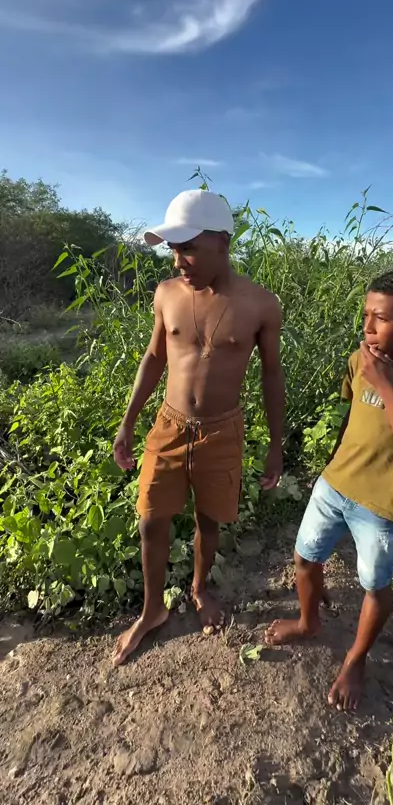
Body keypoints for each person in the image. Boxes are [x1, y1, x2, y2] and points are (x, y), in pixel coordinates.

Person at [266, 266, 393, 711]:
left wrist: (386, 386)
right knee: (305, 558)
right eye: (366, 315)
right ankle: (308, 622)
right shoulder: (360, 360)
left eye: (381, 317)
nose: (368, 326)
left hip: (382, 505)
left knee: (375, 586)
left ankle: (355, 660)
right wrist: (331, 465)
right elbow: (352, 419)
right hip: (334, 484)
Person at [112, 189, 284, 666]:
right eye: (173, 248)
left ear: (222, 242)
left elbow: (272, 375)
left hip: (221, 431)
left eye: (188, 247)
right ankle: (152, 610)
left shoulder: (261, 305)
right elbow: (153, 358)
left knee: (209, 521)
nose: (178, 260)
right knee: (151, 518)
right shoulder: (167, 293)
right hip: (168, 427)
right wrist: (128, 423)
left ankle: (199, 589)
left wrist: (276, 445)